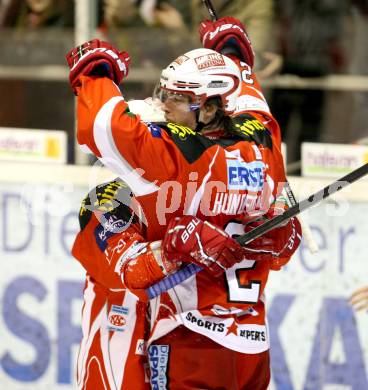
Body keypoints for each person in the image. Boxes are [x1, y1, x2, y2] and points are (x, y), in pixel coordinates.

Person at [66, 15, 302, 389]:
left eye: (174, 100)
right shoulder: (260, 145)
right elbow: (133, 275)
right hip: (237, 345)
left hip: (187, 340)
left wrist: (93, 70)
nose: (163, 111)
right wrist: (231, 54)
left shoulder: (169, 163)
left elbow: (107, 126)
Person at [72, 176, 249, 389]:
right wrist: (173, 247)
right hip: (115, 371)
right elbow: (133, 271)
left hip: (182, 362)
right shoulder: (108, 197)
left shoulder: (210, 199)